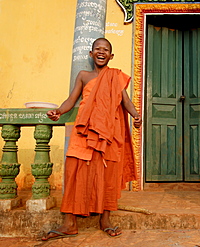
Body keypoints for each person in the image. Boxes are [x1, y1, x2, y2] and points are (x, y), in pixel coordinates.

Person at [42, 38, 141, 240]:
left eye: (106, 50)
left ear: (111, 56)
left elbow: (126, 101)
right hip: (84, 129)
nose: (101, 52)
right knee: (74, 172)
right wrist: (59, 111)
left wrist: (136, 116)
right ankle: (69, 223)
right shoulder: (84, 76)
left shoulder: (116, 77)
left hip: (109, 132)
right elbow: (72, 99)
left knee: (108, 175)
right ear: (91, 53)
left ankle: (105, 221)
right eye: (98, 49)